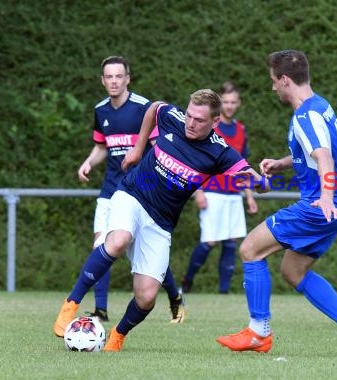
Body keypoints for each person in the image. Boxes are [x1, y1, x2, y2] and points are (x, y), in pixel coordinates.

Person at [53, 89, 269, 351]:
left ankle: (117, 336)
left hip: (161, 221)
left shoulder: (220, 152)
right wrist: (138, 148)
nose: (190, 122)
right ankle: (70, 304)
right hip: (132, 193)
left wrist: (261, 181)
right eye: (189, 115)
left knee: (146, 297)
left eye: (199, 120)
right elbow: (154, 108)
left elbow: (251, 177)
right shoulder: (174, 118)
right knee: (118, 240)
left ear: (214, 122)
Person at [216, 50, 337, 359]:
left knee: (250, 249)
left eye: (273, 81)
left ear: (285, 79)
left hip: (320, 205)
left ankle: (259, 333)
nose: (272, 88)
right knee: (293, 270)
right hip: (335, 203)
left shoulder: (305, 115)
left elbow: (325, 157)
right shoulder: (320, 107)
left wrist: (326, 197)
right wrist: (282, 163)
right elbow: (315, 152)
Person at [76, 55, 185, 324]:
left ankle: (174, 295)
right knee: (101, 245)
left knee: (144, 253)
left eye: (118, 76)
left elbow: (162, 146)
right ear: (102, 81)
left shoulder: (142, 108)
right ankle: (100, 310)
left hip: (142, 190)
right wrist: (89, 162)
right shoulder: (101, 110)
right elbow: (103, 146)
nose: (114, 81)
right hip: (111, 189)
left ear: (128, 78)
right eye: (109, 77)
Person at [182, 81, 258, 294]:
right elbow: (194, 160)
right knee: (210, 241)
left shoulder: (241, 130)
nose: (229, 106)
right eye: (225, 101)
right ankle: (186, 283)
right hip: (212, 192)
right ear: (219, 103)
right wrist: (197, 191)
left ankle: (223, 292)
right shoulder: (208, 127)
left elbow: (244, 166)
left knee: (232, 242)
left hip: (234, 194)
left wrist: (250, 196)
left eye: (233, 102)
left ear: (238, 103)